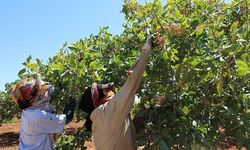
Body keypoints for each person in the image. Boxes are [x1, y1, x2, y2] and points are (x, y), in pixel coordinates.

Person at [79, 37, 153, 150]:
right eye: (106, 90)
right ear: (98, 101)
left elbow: (125, 131)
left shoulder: (100, 119)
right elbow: (132, 82)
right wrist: (147, 48)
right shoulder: (107, 112)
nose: (112, 91)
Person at [11, 77, 76, 150]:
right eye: (44, 91)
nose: (47, 92)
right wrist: (71, 100)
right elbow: (67, 118)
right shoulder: (38, 116)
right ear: (38, 97)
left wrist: (57, 90)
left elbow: (48, 99)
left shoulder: (29, 109)